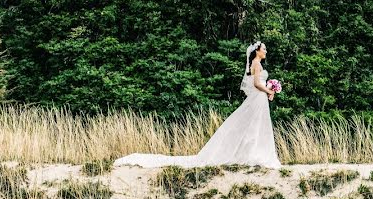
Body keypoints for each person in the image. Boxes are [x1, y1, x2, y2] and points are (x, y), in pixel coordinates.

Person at [114, 41, 282, 169]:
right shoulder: (257, 64)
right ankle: (252, 154)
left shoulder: (255, 64)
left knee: (255, 126)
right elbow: (256, 84)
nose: (266, 51)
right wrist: (269, 90)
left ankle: (252, 153)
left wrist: (269, 89)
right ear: (257, 51)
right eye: (264, 49)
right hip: (259, 97)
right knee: (254, 126)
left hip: (259, 99)